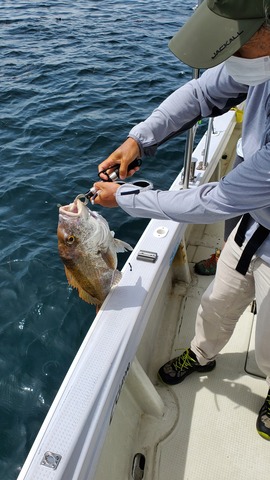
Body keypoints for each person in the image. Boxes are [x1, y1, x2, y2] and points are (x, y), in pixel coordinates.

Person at [92, 0, 270, 441]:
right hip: (252, 227)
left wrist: (127, 197)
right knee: (215, 304)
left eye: (237, 42)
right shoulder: (259, 60)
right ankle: (202, 353)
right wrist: (139, 140)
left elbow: (217, 200)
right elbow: (201, 92)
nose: (227, 57)